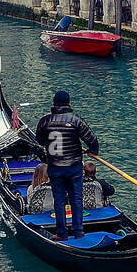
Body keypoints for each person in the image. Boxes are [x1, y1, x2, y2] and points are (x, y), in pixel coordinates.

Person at [35, 90, 99, 240]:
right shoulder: (76, 120)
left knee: (59, 199)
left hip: (55, 167)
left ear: (54, 103)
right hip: (74, 167)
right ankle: (78, 232)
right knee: (76, 198)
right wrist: (92, 151)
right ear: (68, 103)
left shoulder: (45, 121)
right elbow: (92, 140)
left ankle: (62, 234)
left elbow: (39, 141)